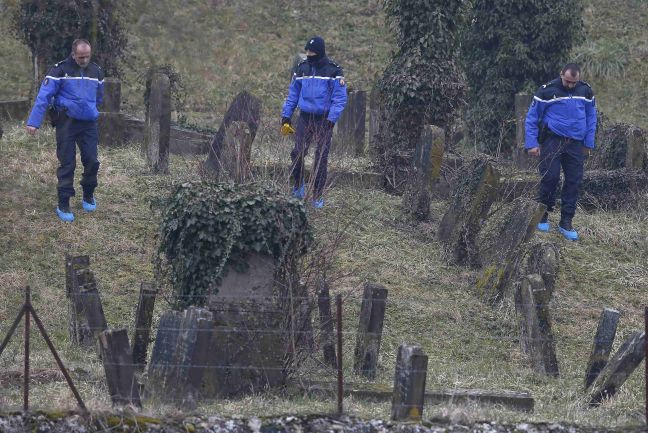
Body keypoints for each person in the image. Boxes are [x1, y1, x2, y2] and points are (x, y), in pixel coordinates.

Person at [26, 39, 104, 222]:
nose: (84, 60)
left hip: (89, 124)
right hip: (67, 122)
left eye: (87, 56)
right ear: (73, 54)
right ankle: (64, 202)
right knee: (68, 163)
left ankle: (88, 194)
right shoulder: (59, 70)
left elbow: (99, 97)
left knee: (92, 160)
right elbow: (43, 97)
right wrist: (33, 122)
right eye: (80, 57)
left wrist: (91, 110)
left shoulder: (97, 71)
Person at [525, 63, 597, 241]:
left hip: (576, 144)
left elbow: (591, 117)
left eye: (574, 82)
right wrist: (531, 144)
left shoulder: (586, 91)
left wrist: (589, 142)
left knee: (574, 181)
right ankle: (542, 214)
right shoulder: (546, 91)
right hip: (552, 141)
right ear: (561, 75)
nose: (571, 85)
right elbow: (532, 118)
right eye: (568, 81)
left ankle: (566, 221)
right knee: (550, 177)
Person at [281, 36, 347, 209]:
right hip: (304, 117)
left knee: (321, 157)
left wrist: (331, 120)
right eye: (307, 51)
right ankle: (298, 186)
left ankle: (317, 195)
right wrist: (286, 116)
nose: (308, 54)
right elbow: (293, 94)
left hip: (324, 119)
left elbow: (339, 99)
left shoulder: (334, 71)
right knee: (297, 152)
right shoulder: (301, 69)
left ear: (320, 52)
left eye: (312, 52)